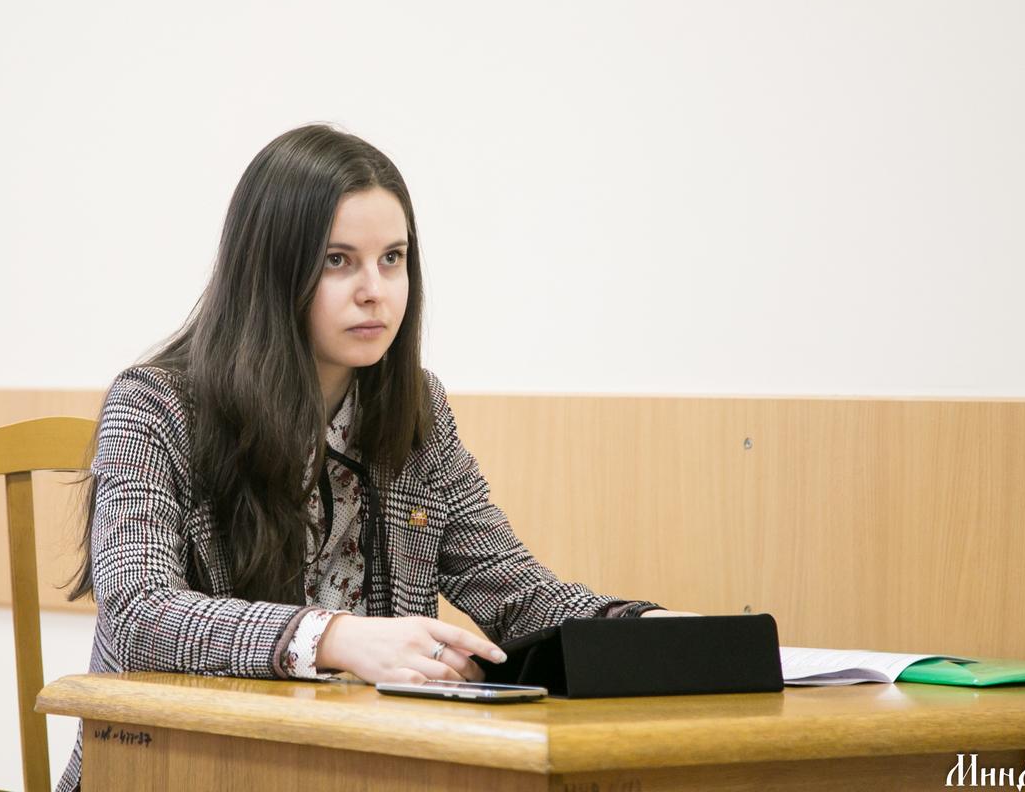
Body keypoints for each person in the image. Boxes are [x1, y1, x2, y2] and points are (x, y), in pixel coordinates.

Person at [55, 123, 696, 792]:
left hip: (351, 766)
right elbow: (138, 612)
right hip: (174, 766)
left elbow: (510, 588)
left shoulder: (416, 406)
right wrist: (337, 638)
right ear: (271, 270)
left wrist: (651, 631)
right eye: (338, 260)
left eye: (392, 258)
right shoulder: (154, 404)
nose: (375, 290)